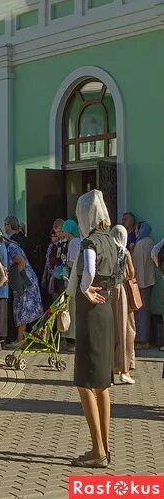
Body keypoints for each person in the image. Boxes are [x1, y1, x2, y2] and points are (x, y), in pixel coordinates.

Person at [68, 191, 120, 466]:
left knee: (85, 381)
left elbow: (87, 270)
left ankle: (97, 451)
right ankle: (104, 447)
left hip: (91, 311)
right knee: (103, 382)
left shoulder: (89, 241)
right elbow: (117, 274)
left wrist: (85, 289)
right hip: (107, 309)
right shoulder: (111, 241)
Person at [111, 225, 140, 385]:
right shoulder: (125, 252)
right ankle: (124, 370)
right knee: (126, 331)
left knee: (111, 331)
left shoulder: (107, 251)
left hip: (108, 293)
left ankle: (109, 370)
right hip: (121, 293)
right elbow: (131, 273)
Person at [131, 221, 156, 347]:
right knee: (146, 310)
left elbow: (137, 265)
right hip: (150, 280)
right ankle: (145, 338)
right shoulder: (150, 242)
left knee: (140, 312)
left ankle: (142, 339)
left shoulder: (140, 244)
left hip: (141, 282)